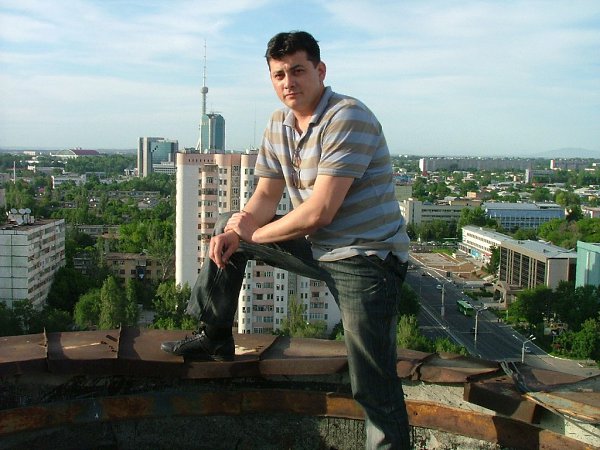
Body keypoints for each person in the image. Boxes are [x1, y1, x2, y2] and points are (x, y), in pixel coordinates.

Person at [161, 31, 411, 449]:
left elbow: (319, 212)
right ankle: (215, 335)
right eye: (279, 75)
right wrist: (237, 231)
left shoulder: (347, 117)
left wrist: (252, 235)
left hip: (366, 260)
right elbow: (264, 196)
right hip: (319, 247)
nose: (288, 82)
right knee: (227, 224)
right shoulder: (279, 124)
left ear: (320, 70)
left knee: (372, 382)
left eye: (297, 70)